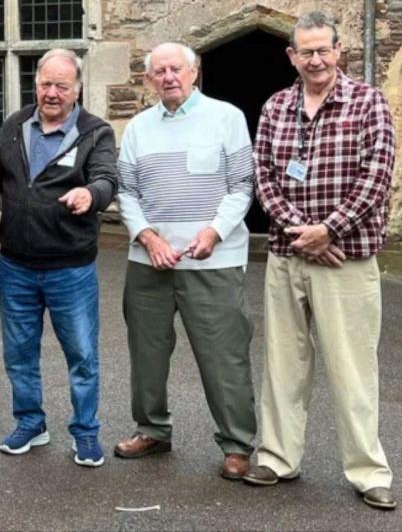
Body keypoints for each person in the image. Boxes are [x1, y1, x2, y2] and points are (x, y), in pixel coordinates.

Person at [244, 12, 398, 510]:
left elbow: (377, 177)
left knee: (353, 369)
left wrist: (328, 230)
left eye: (323, 50)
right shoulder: (276, 107)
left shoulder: (369, 102)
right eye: (305, 52)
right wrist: (300, 233)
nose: (315, 60)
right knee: (284, 363)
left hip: (345, 260)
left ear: (339, 52)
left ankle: (368, 471)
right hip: (288, 256)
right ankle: (277, 457)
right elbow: (263, 176)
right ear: (291, 56)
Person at [0, 48, 117, 467]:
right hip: (15, 265)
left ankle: (86, 432)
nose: (51, 93)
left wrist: (91, 194)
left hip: (70, 268)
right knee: (19, 354)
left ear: (78, 89)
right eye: (45, 83)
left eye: (61, 85)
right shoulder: (16, 124)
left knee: (82, 357)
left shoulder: (95, 133)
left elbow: (108, 178)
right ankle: (31, 423)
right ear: (35, 83)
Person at [114, 42, 257, 480]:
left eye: (177, 68)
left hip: (212, 260)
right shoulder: (138, 127)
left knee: (223, 356)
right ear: (148, 80)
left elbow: (242, 186)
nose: (169, 77)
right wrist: (147, 236)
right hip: (149, 261)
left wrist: (214, 232)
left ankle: (236, 444)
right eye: (159, 71)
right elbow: (126, 191)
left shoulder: (226, 117)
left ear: (195, 73)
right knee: (147, 354)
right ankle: (152, 429)